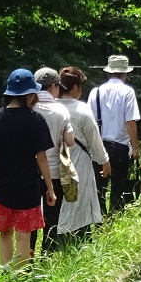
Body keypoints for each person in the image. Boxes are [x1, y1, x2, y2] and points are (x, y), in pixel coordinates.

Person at [0, 68, 57, 270]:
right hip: (27, 188)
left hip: (1, 186)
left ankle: (6, 277)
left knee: (4, 232)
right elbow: (41, 157)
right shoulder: (36, 119)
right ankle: (20, 278)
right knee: (23, 235)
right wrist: (50, 188)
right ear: (30, 95)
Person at [54, 66, 107, 241]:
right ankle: (79, 244)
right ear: (76, 88)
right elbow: (94, 140)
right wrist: (104, 161)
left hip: (53, 165)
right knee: (80, 204)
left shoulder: (50, 107)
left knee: (58, 207)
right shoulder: (82, 109)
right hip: (78, 164)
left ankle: (54, 245)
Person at [88, 54, 141, 213]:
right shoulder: (127, 92)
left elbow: (89, 122)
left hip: (98, 145)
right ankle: (115, 218)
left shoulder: (95, 92)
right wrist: (136, 148)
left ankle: (99, 221)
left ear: (108, 72)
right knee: (119, 186)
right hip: (119, 147)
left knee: (99, 188)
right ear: (125, 73)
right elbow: (130, 121)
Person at [31, 68, 75, 256]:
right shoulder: (61, 110)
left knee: (31, 217)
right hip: (55, 173)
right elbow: (70, 140)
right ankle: (47, 254)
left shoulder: (29, 108)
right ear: (54, 87)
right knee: (52, 218)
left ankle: (28, 255)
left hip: (31, 173)